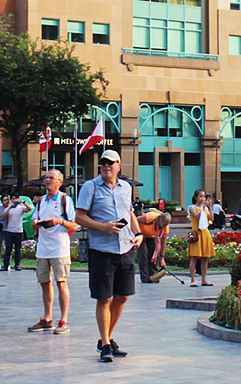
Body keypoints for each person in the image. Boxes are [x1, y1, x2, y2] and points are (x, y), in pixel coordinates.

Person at [76, 150, 143, 362]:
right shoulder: (90, 187)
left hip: (125, 248)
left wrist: (138, 233)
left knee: (122, 296)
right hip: (102, 250)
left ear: (118, 166)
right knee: (103, 298)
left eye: (110, 163)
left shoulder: (126, 188)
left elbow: (129, 212)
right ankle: (105, 344)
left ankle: (107, 337)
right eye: (103, 163)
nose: (106, 166)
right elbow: (79, 217)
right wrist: (102, 227)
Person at [28, 170, 78, 335]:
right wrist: (37, 224)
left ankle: (64, 320)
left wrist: (59, 221)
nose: (48, 180)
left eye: (52, 178)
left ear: (59, 182)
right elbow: (33, 224)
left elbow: (74, 225)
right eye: (46, 178)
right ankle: (47, 318)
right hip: (43, 249)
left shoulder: (65, 200)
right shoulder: (42, 201)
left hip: (59, 248)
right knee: (44, 283)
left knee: (61, 282)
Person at [187, 189, 215, 287]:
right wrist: (203, 207)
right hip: (196, 233)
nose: (202, 198)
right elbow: (198, 216)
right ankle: (193, 280)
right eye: (200, 196)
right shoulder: (192, 208)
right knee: (194, 256)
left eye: (204, 196)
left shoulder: (205, 208)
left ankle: (204, 279)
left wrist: (210, 207)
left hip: (205, 232)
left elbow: (211, 218)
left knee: (205, 257)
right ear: (196, 197)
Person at [136, 209, 171, 283]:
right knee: (143, 255)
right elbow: (135, 220)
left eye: (166, 225)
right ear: (159, 221)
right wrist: (138, 233)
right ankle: (145, 277)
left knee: (154, 255)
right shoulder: (151, 217)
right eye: (163, 224)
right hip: (141, 234)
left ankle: (154, 275)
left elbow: (163, 242)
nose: (164, 227)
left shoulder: (165, 226)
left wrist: (162, 258)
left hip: (151, 236)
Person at [0, 193, 30, 271]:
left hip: (19, 231)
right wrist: (10, 207)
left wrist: (23, 202)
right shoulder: (9, 208)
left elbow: (29, 209)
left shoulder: (21, 208)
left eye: (15, 199)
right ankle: (6, 264)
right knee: (8, 249)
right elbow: (3, 215)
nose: (14, 200)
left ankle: (17, 264)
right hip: (9, 231)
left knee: (18, 249)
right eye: (12, 199)